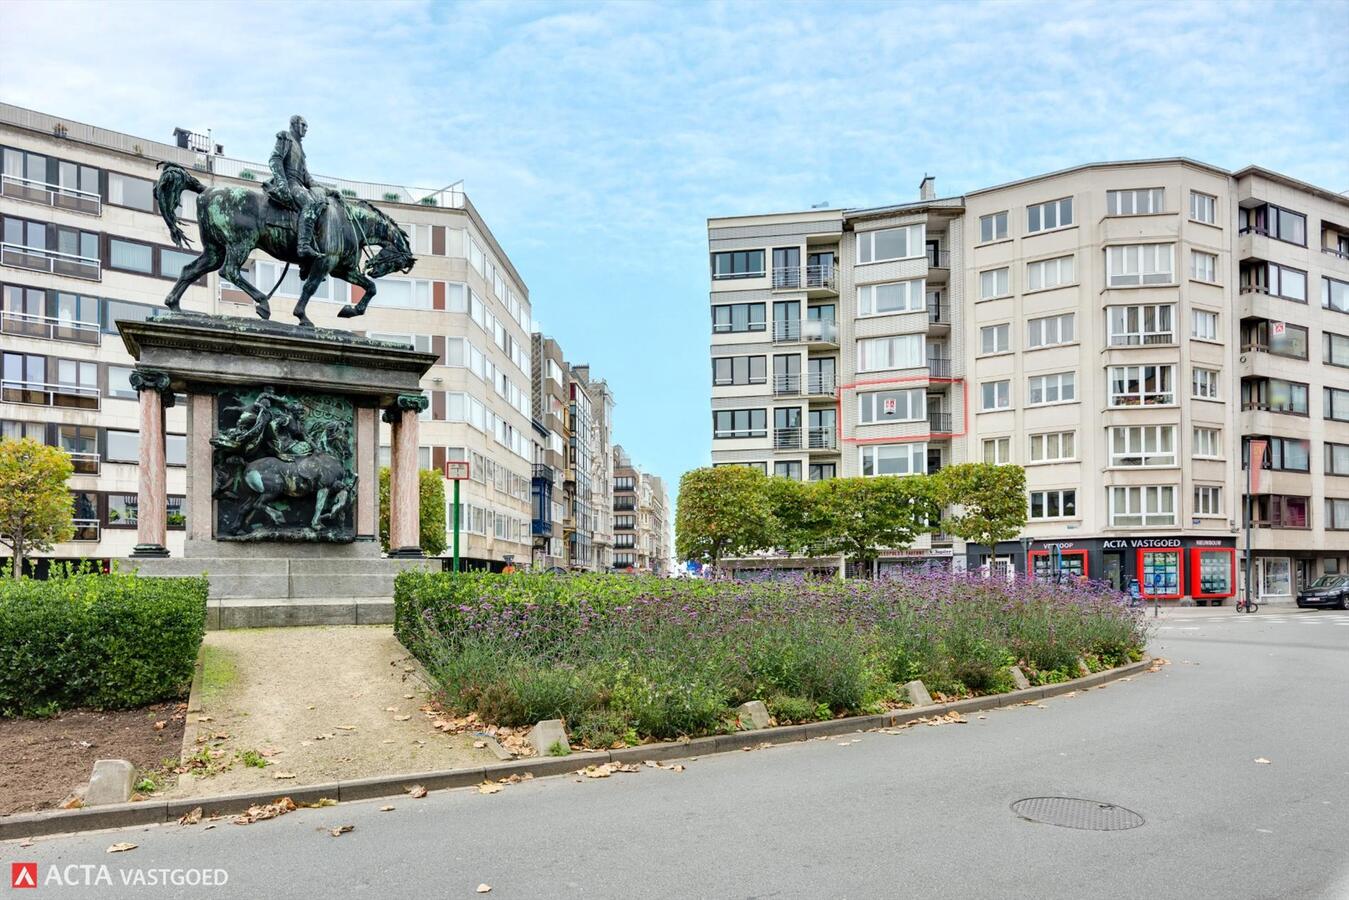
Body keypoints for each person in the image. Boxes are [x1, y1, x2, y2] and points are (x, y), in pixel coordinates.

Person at [265, 115, 328, 260]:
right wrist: (282, 183)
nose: (306, 129)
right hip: (290, 184)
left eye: (306, 126)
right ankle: (303, 245)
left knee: (320, 203)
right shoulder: (286, 138)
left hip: (299, 185)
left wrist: (329, 190)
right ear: (294, 124)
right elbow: (275, 159)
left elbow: (308, 179)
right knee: (311, 204)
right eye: (303, 125)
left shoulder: (300, 149)